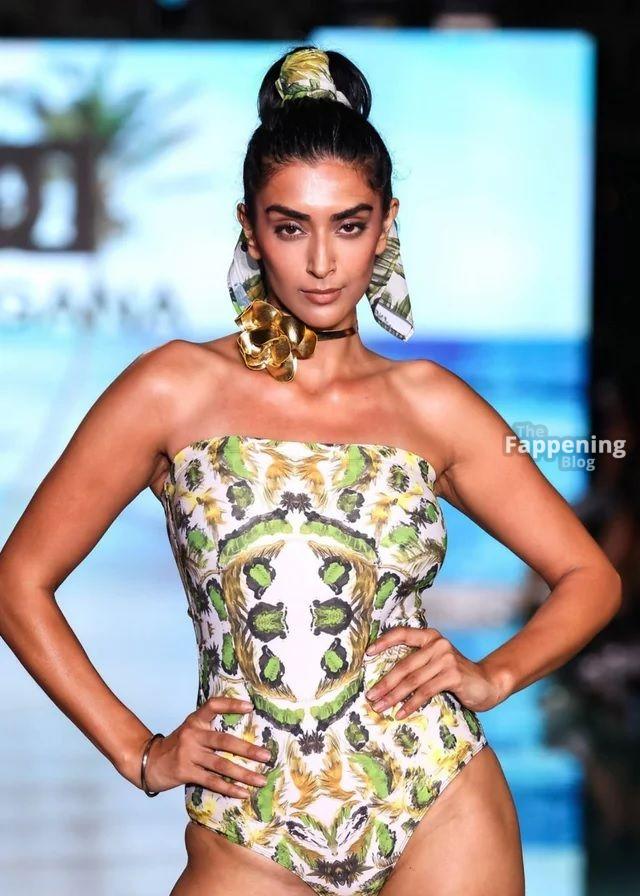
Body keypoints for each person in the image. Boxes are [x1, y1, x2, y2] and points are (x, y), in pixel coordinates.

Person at [0, 46, 621, 896]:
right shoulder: (172, 389)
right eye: (291, 226)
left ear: (387, 224)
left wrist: (494, 674)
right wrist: (139, 752)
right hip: (247, 826)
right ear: (250, 228)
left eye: (349, 225)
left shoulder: (431, 405)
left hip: (438, 799)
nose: (322, 262)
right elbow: (19, 581)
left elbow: (590, 575)